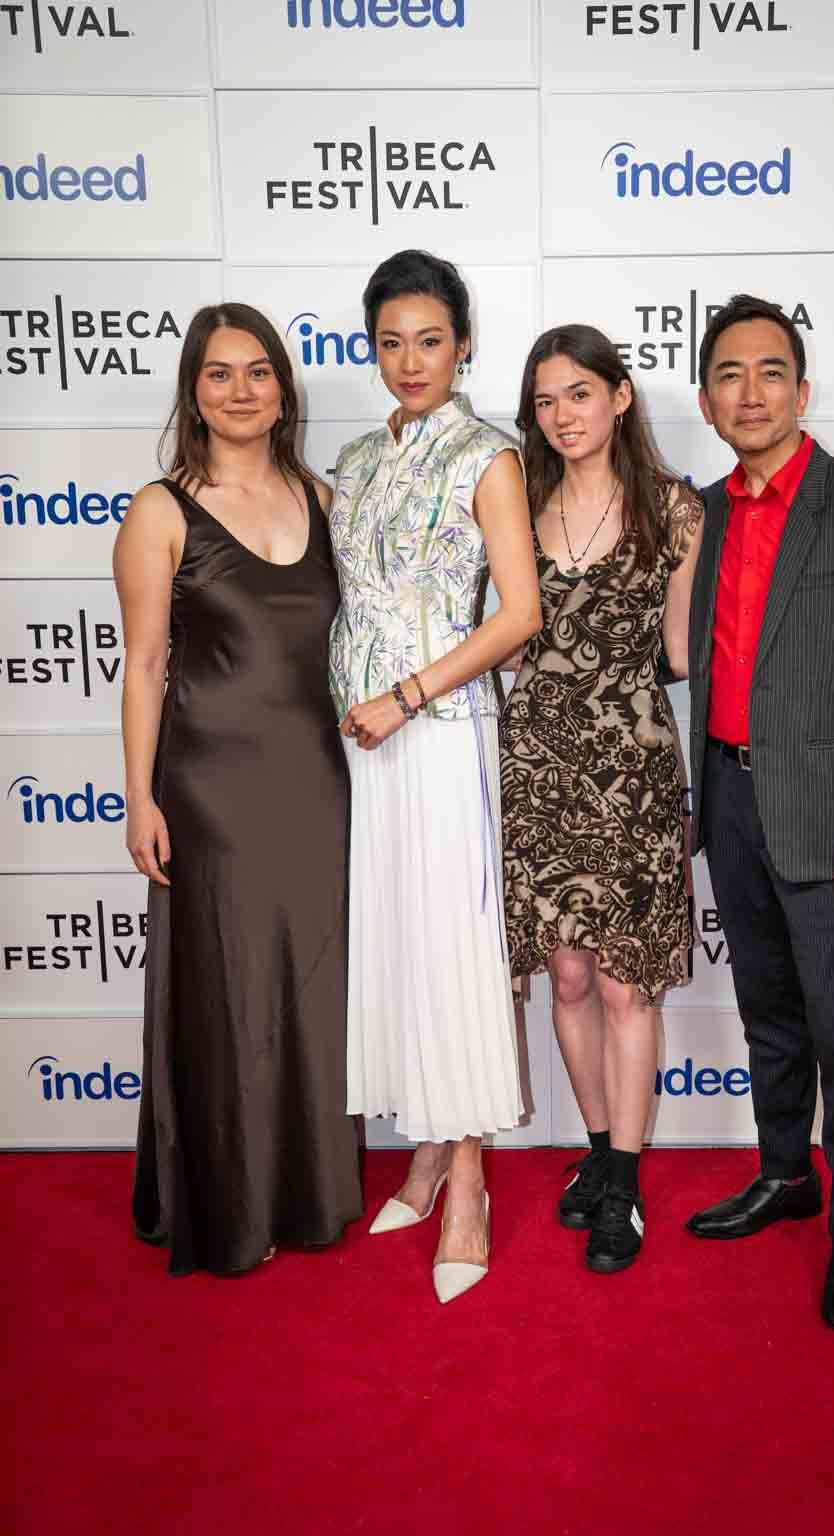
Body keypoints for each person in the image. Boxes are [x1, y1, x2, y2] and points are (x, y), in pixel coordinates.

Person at [683, 293, 834, 1328]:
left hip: (831, 816)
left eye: (769, 371)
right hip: (730, 800)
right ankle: (786, 1175)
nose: (750, 392)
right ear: (705, 399)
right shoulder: (697, 513)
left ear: (801, 388)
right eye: (730, 375)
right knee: (768, 1018)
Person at [114, 302, 361, 1276]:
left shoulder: (328, 500)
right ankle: (228, 1201)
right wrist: (139, 797)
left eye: (259, 372)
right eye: (220, 374)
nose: (242, 391)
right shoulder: (160, 510)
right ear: (193, 391)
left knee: (308, 991)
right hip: (209, 788)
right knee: (225, 992)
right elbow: (142, 666)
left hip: (318, 782)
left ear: (284, 388)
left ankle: (306, 1195)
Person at [329, 250, 541, 1304]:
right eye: (388, 342)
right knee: (403, 947)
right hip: (363, 746)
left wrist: (404, 697)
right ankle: (422, 1144)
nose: (409, 361)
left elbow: (518, 615)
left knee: (455, 950)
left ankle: (468, 1181)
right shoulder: (360, 458)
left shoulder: (487, 458)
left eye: (429, 339)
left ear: (463, 344)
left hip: (441, 727)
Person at [501, 324, 704, 1275]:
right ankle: (596, 1150)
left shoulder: (675, 511)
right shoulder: (519, 499)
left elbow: (678, 657)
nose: (562, 416)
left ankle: (623, 1182)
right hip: (536, 769)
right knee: (570, 978)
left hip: (630, 772)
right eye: (545, 400)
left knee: (625, 981)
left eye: (579, 393)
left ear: (620, 396)